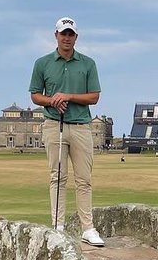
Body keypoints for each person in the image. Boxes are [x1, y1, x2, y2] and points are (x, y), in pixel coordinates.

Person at [29, 17, 104, 245]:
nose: (67, 38)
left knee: (84, 179)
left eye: (71, 34)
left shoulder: (88, 63)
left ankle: (87, 228)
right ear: (56, 36)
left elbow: (94, 96)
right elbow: (35, 95)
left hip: (81, 126)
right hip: (54, 125)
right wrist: (52, 101)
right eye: (63, 34)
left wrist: (69, 96)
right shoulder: (42, 63)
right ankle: (58, 226)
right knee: (58, 177)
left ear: (76, 37)